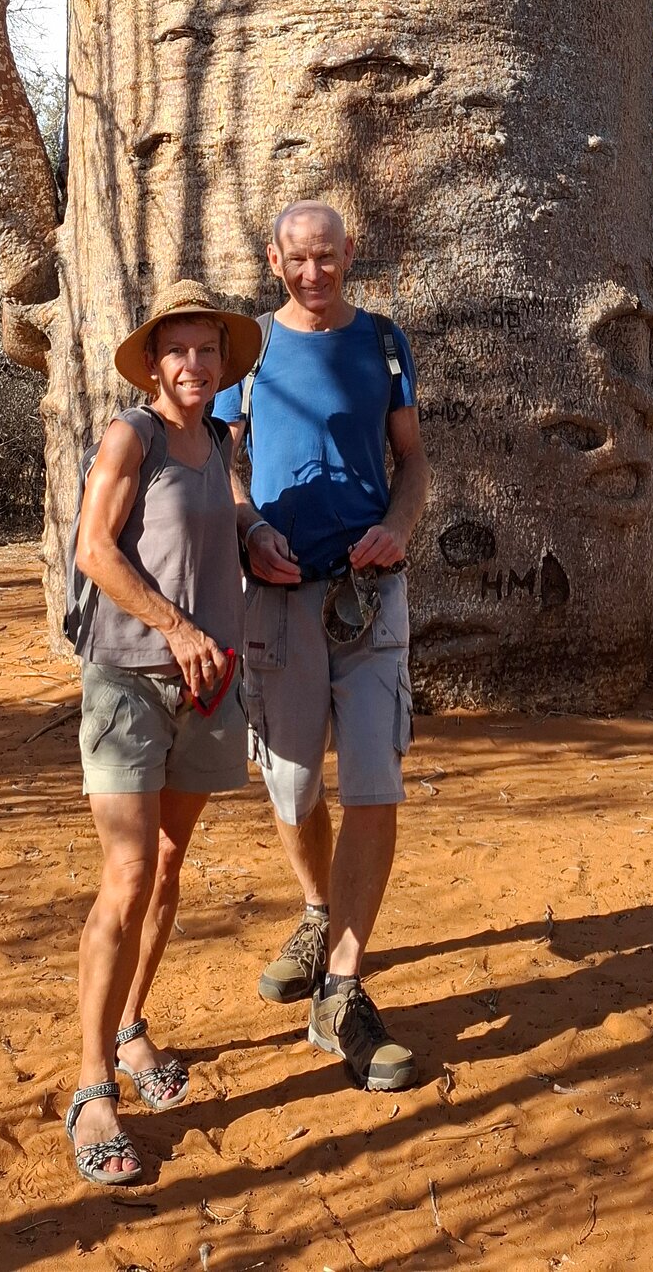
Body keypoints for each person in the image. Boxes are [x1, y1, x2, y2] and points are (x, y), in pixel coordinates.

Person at [214, 201, 430, 1092]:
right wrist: (248, 527)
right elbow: (222, 463)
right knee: (293, 784)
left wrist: (399, 526)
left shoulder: (383, 343)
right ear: (274, 258)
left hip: (370, 598)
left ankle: (341, 988)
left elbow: (411, 460)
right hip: (277, 602)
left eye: (327, 257)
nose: (313, 272)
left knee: (374, 782)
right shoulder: (248, 352)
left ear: (351, 253)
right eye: (297, 258)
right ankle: (314, 908)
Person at [65, 280, 262, 1186]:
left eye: (207, 351)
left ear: (224, 364)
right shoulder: (130, 435)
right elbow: (94, 550)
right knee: (130, 873)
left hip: (209, 683)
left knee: (173, 867)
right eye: (177, 350)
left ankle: (133, 1027)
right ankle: (91, 1083)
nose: (193, 365)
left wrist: (258, 536)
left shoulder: (219, 440)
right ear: (153, 363)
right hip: (131, 681)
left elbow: (227, 515)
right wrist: (175, 627)